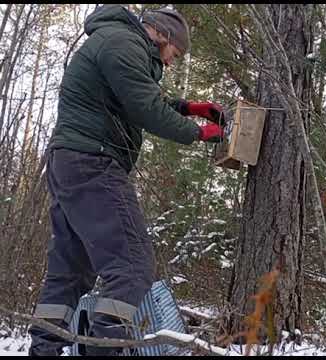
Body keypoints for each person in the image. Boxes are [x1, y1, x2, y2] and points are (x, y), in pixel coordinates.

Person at [28, 4, 224, 356]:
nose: (170, 62)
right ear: (161, 35)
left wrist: (189, 107)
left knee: (70, 272)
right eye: (174, 54)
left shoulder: (116, 42)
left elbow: (135, 95)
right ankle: (103, 350)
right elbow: (145, 107)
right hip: (93, 162)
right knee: (132, 268)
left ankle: (43, 350)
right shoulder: (123, 42)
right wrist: (198, 133)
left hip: (71, 163)